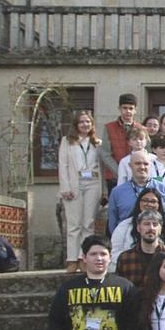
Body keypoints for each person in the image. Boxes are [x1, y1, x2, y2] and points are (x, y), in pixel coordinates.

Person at [60, 110, 104, 272]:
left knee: (88, 224)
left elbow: (101, 166)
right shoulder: (67, 141)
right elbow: (63, 165)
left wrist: (104, 190)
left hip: (93, 183)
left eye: (88, 122)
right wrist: (65, 187)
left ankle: (84, 258)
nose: (85, 125)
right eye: (82, 122)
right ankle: (72, 259)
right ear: (76, 125)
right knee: (74, 224)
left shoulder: (97, 142)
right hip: (74, 183)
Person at [107, 151, 165, 235]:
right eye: (138, 163)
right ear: (130, 166)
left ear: (150, 165)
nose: (142, 167)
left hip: (157, 240)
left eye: (146, 164)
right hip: (126, 241)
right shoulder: (117, 193)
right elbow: (112, 223)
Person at [114, 210, 165, 287]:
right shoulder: (125, 257)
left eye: (155, 224)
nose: (151, 228)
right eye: (146, 224)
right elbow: (119, 288)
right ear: (138, 228)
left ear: (160, 229)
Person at [98, 94, 140, 186]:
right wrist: (120, 172)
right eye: (125, 108)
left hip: (137, 178)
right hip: (114, 177)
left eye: (131, 108)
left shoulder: (141, 129)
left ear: (135, 110)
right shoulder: (109, 128)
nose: (128, 111)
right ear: (119, 109)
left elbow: (145, 153)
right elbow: (105, 154)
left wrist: (135, 173)